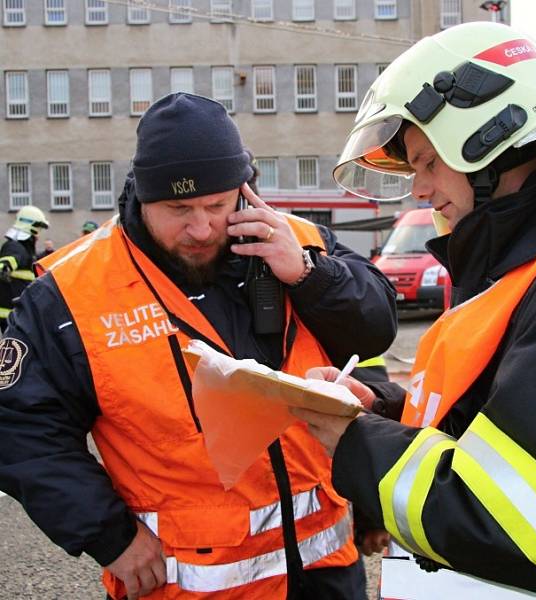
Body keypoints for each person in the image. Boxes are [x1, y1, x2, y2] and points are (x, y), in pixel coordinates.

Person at [291, 22, 536, 599]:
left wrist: (356, 444)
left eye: (428, 162)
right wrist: (380, 410)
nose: (420, 189)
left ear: (489, 141)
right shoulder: (533, 273)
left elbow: (512, 518)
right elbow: (494, 426)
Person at [0, 93, 397, 599]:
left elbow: (375, 331)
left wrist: (307, 273)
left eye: (216, 204)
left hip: (325, 574)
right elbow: (21, 428)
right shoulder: (74, 291)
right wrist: (110, 535)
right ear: (141, 199)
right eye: (178, 208)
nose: (202, 227)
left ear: (244, 190)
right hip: (187, 585)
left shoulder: (297, 241)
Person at [0, 205, 49, 331]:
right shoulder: (15, 247)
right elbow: (9, 260)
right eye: (38, 229)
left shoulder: (25, 251)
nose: (38, 235)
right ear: (31, 226)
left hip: (19, 314)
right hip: (12, 316)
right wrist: (5, 267)